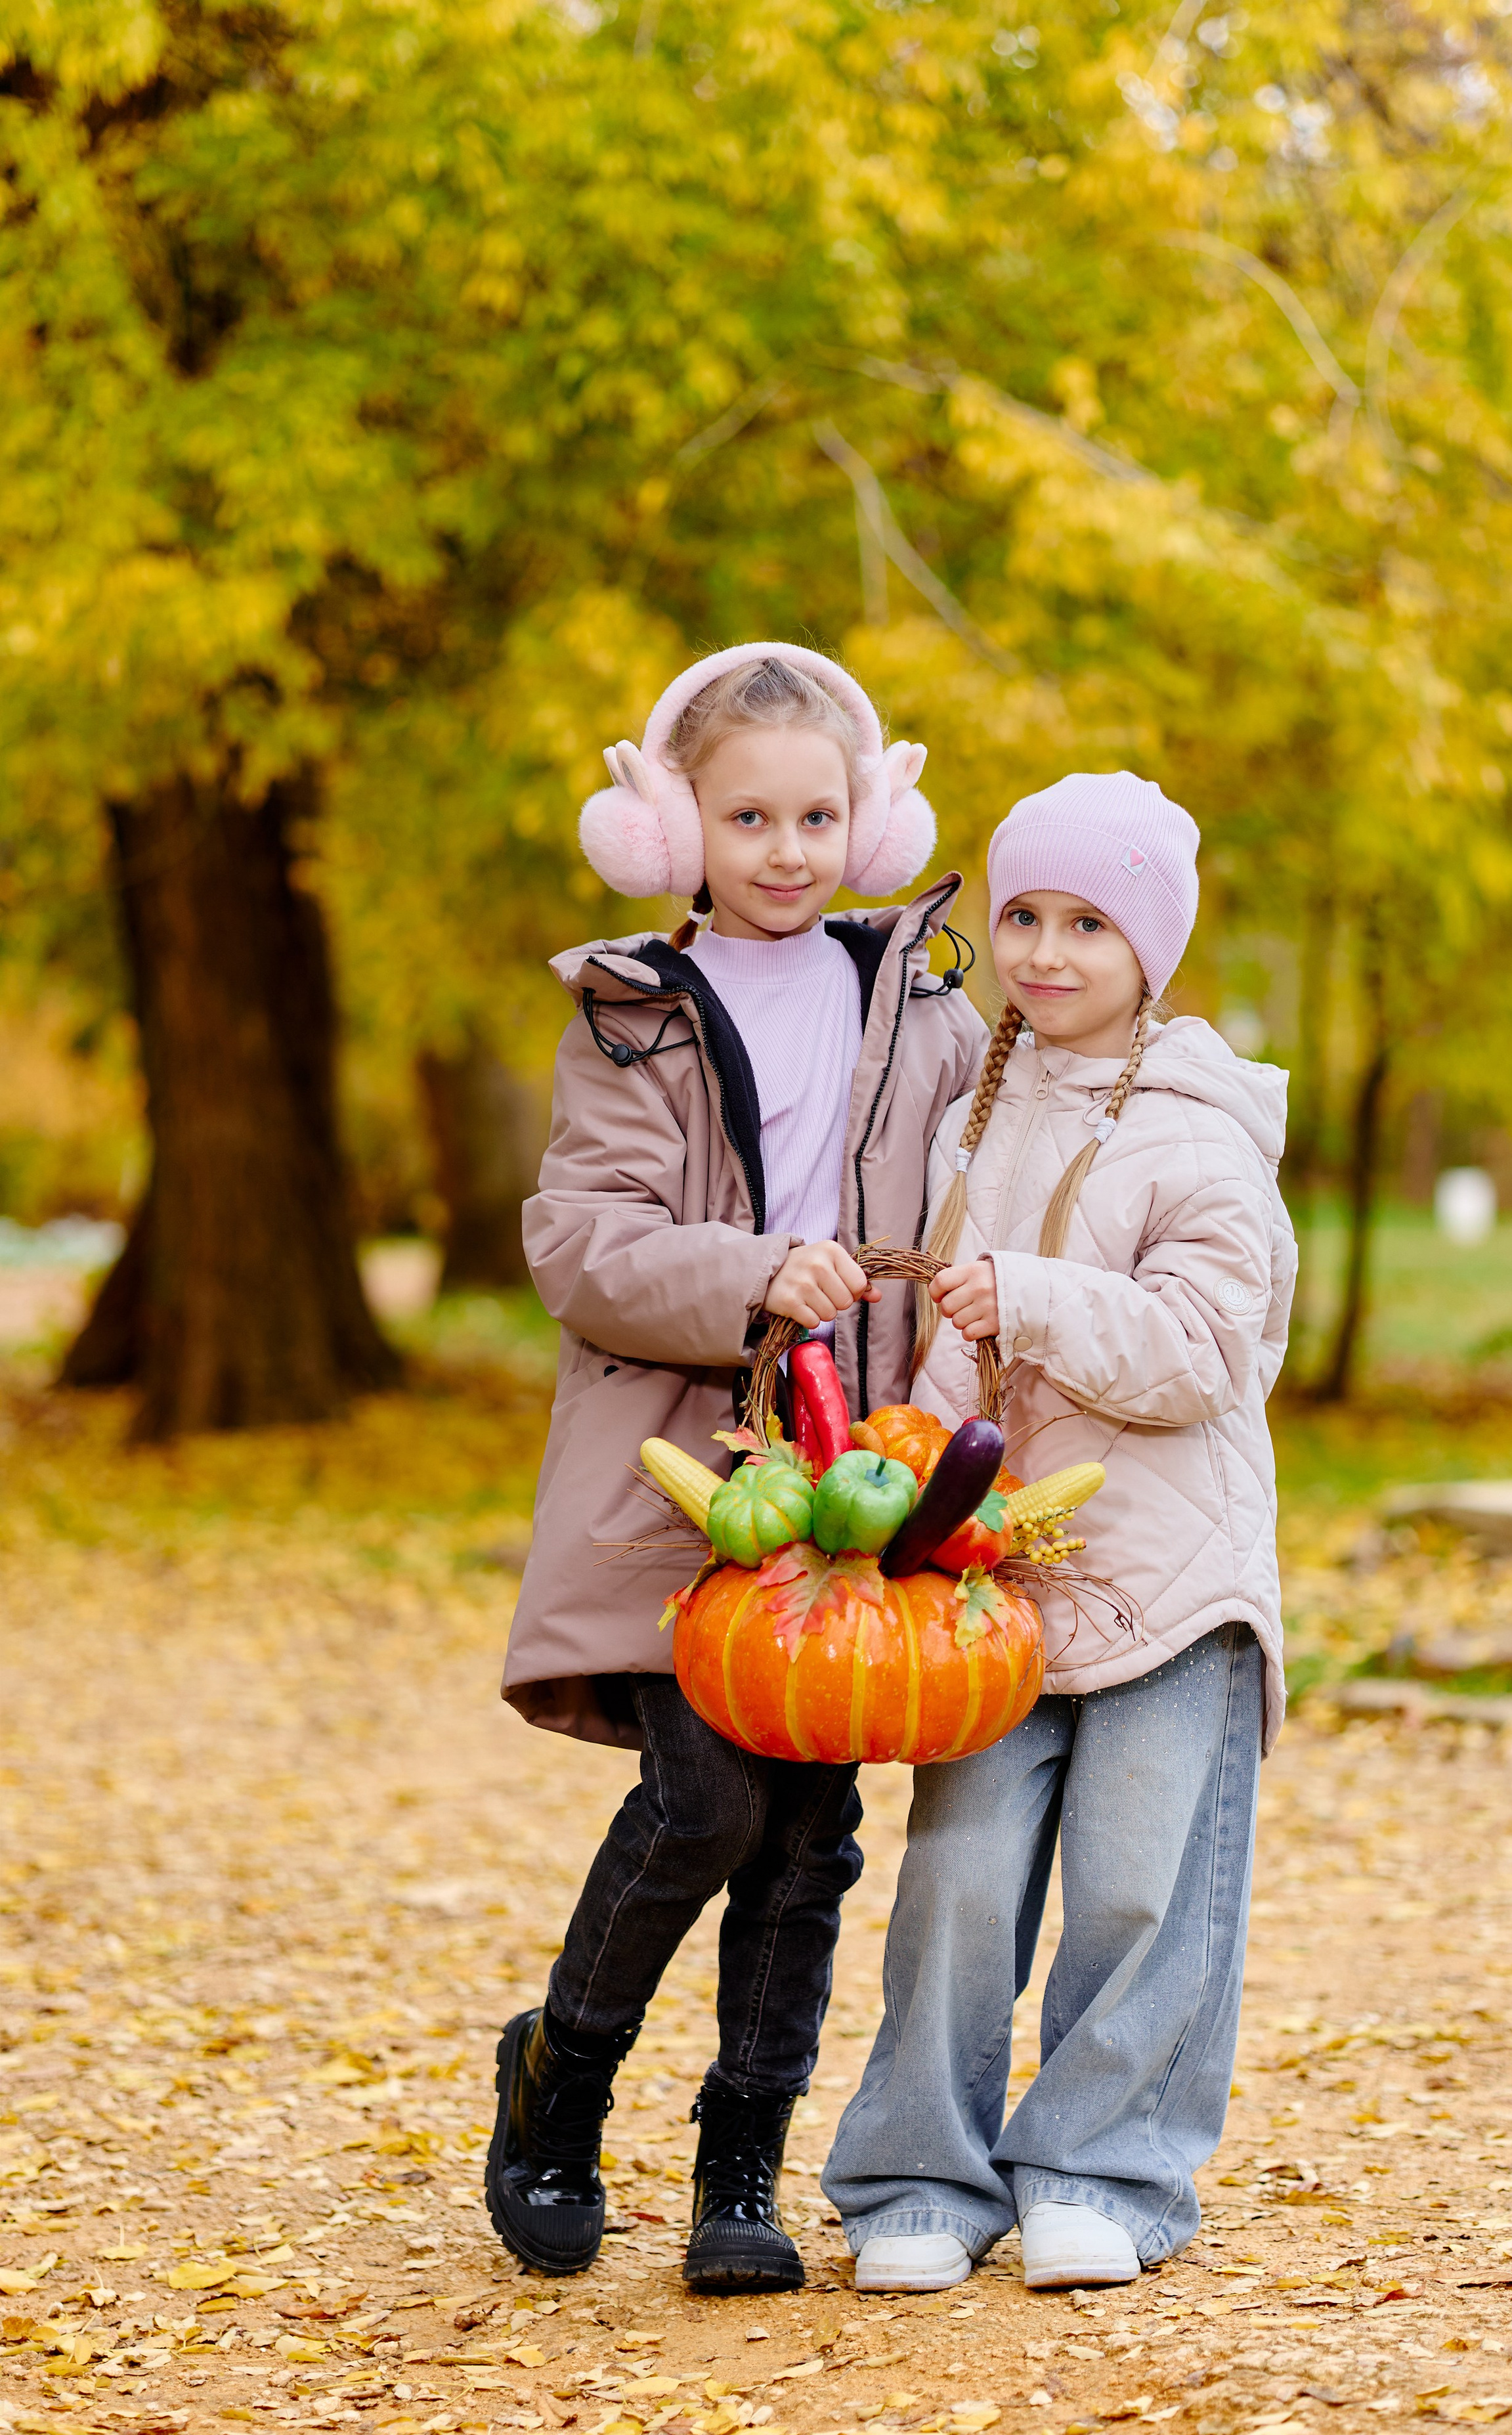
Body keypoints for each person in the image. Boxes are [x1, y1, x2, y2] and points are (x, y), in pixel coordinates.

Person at [489, 644, 990, 2295]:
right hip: (695, 1467)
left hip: (866, 1472)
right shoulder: (628, 1017)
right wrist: (748, 1274)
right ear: (672, 828)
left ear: (868, 820)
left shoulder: (917, 1002)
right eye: (747, 815)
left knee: (807, 1833)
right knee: (702, 1797)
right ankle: (558, 2090)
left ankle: (741, 2172)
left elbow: (984, 1190)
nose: (784, 848)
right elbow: (581, 1243)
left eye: (816, 814)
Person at [822, 771, 1297, 2294]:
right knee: (958, 1874)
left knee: (1139, 1879)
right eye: (1020, 913)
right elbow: (944, 1362)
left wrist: (1028, 1301)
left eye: (1086, 922)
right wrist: (894, 1494)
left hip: (1165, 1584)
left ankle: (1108, 2167)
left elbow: (1207, 1351)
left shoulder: (1198, 1131)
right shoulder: (976, 1119)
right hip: (996, 1582)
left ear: (1148, 945)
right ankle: (918, 2172)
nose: (1043, 949)